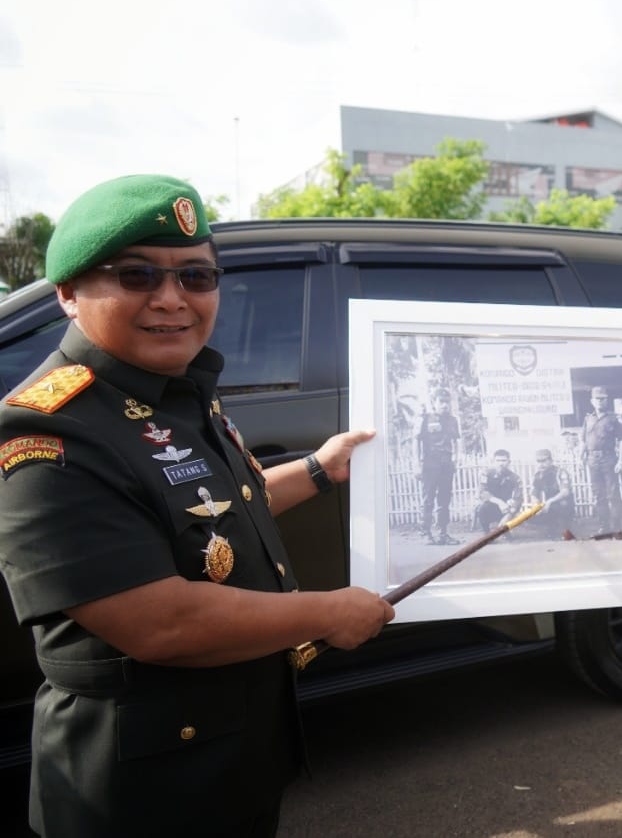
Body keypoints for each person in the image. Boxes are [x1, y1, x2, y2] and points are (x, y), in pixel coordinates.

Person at [0, 174, 395, 837]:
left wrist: (320, 470)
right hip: (141, 790)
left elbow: (218, 511)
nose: (172, 299)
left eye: (196, 277)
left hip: (229, 754)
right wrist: (330, 610)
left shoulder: (176, 389)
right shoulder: (49, 430)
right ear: (68, 294)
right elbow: (159, 620)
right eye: (135, 276)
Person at [580, 385, 622, 533]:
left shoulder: (614, 419)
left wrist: (620, 460)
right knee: (598, 494)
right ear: (592, 401)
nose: (599, 402)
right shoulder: (588, 419)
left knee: (613, 493)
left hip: (609, 459)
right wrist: (581, 457)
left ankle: (617, 527)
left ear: (606, 401)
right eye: (597, 399)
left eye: (602, 399)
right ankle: (604, 527)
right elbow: (583, 440)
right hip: (592, 460)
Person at [418, 386, 460, 544]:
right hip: (430, 463)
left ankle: (443, 533)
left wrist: (455, 459)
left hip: (446, 464)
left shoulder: (452, 420)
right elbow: (417, 443)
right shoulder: (425, 419)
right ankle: (426, 533)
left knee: (444, 499)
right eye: (441, 402)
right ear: (433, 402)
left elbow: (455, 441)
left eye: (447, 402)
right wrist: (417, 465)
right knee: (428, 499)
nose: (445, 405)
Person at [528, 448, 575, 538]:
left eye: (544, 461)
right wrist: (537, 505)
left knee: (563, 505)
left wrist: (549, 501)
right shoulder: (538, 475)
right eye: (538, 461)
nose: (541, 464)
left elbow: (565, 492)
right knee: (529, 516)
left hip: (563, 503)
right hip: (549, 505)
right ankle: (551, 528)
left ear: (551, 461)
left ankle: (566, 529)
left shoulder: (560, 472)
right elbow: (534, 493)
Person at [473, 448, 522, 531]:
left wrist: (510, 513)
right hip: (490, 504)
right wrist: (499, 502)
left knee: (513, 510)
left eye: (503, 460)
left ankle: (505, 529)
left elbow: (518, 497)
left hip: (506, 507)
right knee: (482, 508)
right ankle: (486, 532)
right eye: (498, 460)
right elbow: (483, 492)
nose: (501, 463)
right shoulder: (486, 474)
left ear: (509, 462)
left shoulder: (514, 477)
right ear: (493, 461)